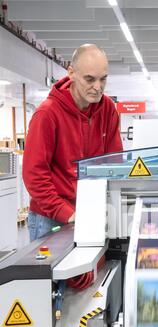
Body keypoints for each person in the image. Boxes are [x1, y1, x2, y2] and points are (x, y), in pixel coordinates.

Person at [23, 43, 123, 242]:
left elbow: (114, 163)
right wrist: (66, 212)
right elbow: (34, 174)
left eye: (103, 79)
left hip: (91, 212)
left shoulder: (108, 110)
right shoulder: (47, 114)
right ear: (71, 73)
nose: (98, 87)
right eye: (90, 79)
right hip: (50, 217)